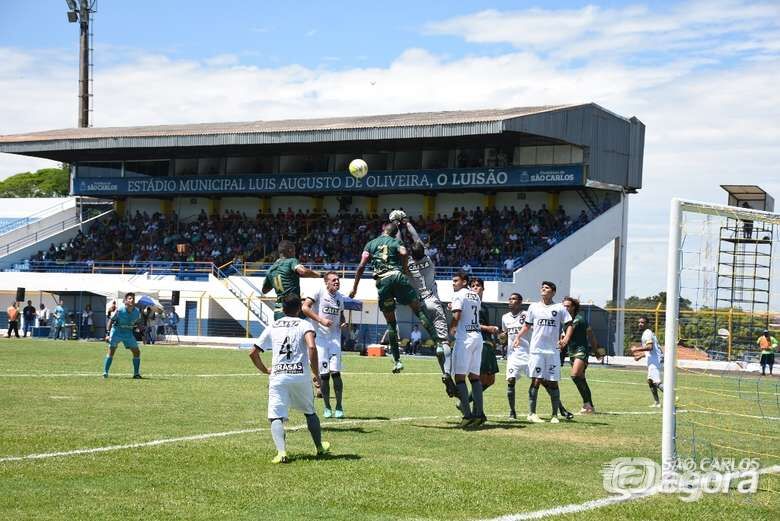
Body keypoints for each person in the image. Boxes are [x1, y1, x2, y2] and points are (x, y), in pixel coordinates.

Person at [248, 294, 330, 464]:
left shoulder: (273, 325)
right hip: (300, 375)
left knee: (276, 415)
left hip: (279, 376)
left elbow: (253, 353)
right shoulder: (305, 324)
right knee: (309, 412)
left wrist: (265, 370)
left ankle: (282, 452)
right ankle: (320, 448)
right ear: (299, 308)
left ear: (283, 309)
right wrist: (315, 374)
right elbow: (312, 347)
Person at [349, 220, 438, 374]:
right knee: (418, 311)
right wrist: (403, 268)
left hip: (383, 281)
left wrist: (354, 288)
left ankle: (397, 361)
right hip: (398, 276)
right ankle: (439, 344)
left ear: (384, 230)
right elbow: (404, 252)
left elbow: (361, 266)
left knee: (391, 323)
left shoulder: (370, 244)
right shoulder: (396, 241)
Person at [400, 217, 454, 394]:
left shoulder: (408, 265)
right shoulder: (428, 261)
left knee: (436, 340)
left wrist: (399, 230)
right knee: (443, 340)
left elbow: (401, 248)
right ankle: (446, 372)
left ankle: (443, 369)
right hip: (433, 300)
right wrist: (407, 223)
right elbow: (416, 239)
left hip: (419, 305)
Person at [513, 281, 573, 423]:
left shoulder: (559, 308)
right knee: (536, 380)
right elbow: (527, 326)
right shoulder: (533, 307)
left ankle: (554, 415)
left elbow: (569, 325)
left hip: (553, 351)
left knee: (553, 382)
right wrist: (518, 337)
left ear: (553, 292)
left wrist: (566, 340)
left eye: (546, 288)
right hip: (537, 350)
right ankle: (532, 413)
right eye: (542, 287)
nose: (543, 289)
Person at [302, 272, 347, 418]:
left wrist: (343, 323)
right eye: (333, 280)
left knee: (336, 373)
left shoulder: (340, 297)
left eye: (338, 280)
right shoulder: (318, 291)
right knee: (325, 376)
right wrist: (320, 320)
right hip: (320, 340)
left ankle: (339, 406)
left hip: (334, 340)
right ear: (326, 282)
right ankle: (327, 407)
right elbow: (305, 308)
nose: (337, 282)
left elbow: (341, 315)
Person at [449, 271, 485, 427]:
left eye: (456, 280)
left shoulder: (459, 294)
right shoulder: (475, 295)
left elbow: (457, 314)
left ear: (464, 282)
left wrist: (451, 329)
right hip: (477, 337)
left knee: (459, 377)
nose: (453, 283)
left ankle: (468, 415)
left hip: (465, 339)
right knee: (475, 377)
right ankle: (480, 415)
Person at [262, 240, 322, 320]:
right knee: (314, 308)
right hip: (293, 309)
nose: (295, 253)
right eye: (294, 250)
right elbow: (303, 271)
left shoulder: (271, 270)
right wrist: (318, 275)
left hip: (278, 312)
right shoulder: (291, 261)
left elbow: (264, 290)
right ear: (290, 250)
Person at [562, 297, 597, 414]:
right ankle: (589, 405)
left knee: (575, 375)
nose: (565, 308)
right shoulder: (564, 321)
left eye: (567, 306)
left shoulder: (578, 320)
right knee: (581, 378)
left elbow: (590, 334)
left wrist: (595, 349)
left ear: (573, 307)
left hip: (581, 350)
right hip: (571, 352)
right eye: (564, 306)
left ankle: (588, 403)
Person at [103, 292, 143, 379]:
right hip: (117, 332)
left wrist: (141, 331)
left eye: (133, 298)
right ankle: (105, 372)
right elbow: (110, 320)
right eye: (129, 298)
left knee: (137, 352)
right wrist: (107, 334)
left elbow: (139, 322)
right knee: (111, 351)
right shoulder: (119, 310)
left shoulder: (136, 312)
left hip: (128, 333)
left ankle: (136, 374)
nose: (132, 300)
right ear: (125, 301)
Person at [502, 293, 527, 420]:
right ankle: (512, 411)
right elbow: (505, 334)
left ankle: (559, 408)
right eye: (510, 298)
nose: (511, 301)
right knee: (510, 381)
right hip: (513, 356)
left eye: (514, 299)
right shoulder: (505, 317)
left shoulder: (527, 315)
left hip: (528, 354)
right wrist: (503, 338)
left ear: (520, 302)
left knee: (543, 381)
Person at [631, 316, 664, 407]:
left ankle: (672, 397)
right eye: (639, 322)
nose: (640, 324)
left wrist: (636, 349)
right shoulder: (647, 333)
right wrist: (640, 356)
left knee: (656, 382)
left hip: (655, 360)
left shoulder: (647, 333)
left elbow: (650, 347)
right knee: (650, 381)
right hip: (653, 359)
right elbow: (650, 351)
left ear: (647, 324)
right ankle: (657, 403)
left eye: (642, 322)